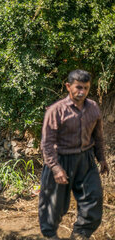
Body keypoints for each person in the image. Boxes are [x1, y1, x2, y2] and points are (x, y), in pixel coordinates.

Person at [39, 69, 110, 240]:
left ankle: (80, 234)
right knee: (53, 205)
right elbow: (47, 143)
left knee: (93, 197)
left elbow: (98, 137)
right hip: (60, 159)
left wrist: (101, 159)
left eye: (85, 88)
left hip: (85, 160)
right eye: (78, 87)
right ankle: (50, 236)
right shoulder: (56, 111)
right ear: (68, 86)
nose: (82, 92)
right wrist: (55, 168)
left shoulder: (93, 108)